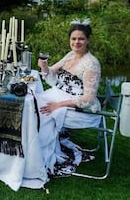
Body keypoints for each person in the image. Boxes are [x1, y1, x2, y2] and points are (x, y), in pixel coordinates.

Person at [36, 18, 102, 177]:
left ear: (88, 40)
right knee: (34, 104)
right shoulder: (70, 55)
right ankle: (36, 150)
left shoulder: (91, 64)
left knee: (42, 113)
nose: (76, 42)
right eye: (73, 38)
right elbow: (52, 75)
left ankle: (41, 155)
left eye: (81, 39)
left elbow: (88, 99)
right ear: (69, 40)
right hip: (62, 95)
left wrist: (58, 105)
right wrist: (44, 67)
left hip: (81, 109)